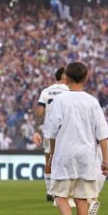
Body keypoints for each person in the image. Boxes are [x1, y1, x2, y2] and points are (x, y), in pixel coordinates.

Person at [43, 61, 108, 215]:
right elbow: (102, 135)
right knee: (83, 199)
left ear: (65, 79)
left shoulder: (60, 100)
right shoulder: (92, 101)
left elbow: (52, 132)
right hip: (87, 155)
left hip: (65, 152)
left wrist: (52, 154)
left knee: (59, 194)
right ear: (87, 78)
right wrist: (105, 161)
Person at [33, 67, 68, 202]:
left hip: (49, 130)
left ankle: (49, 191)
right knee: (64, 160)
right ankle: (62, 191)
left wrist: (36, 129)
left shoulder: (46, 91)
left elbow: (39, 112)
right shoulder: (69, 91)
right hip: (64, 130)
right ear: (63, 76)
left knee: (48, 159)